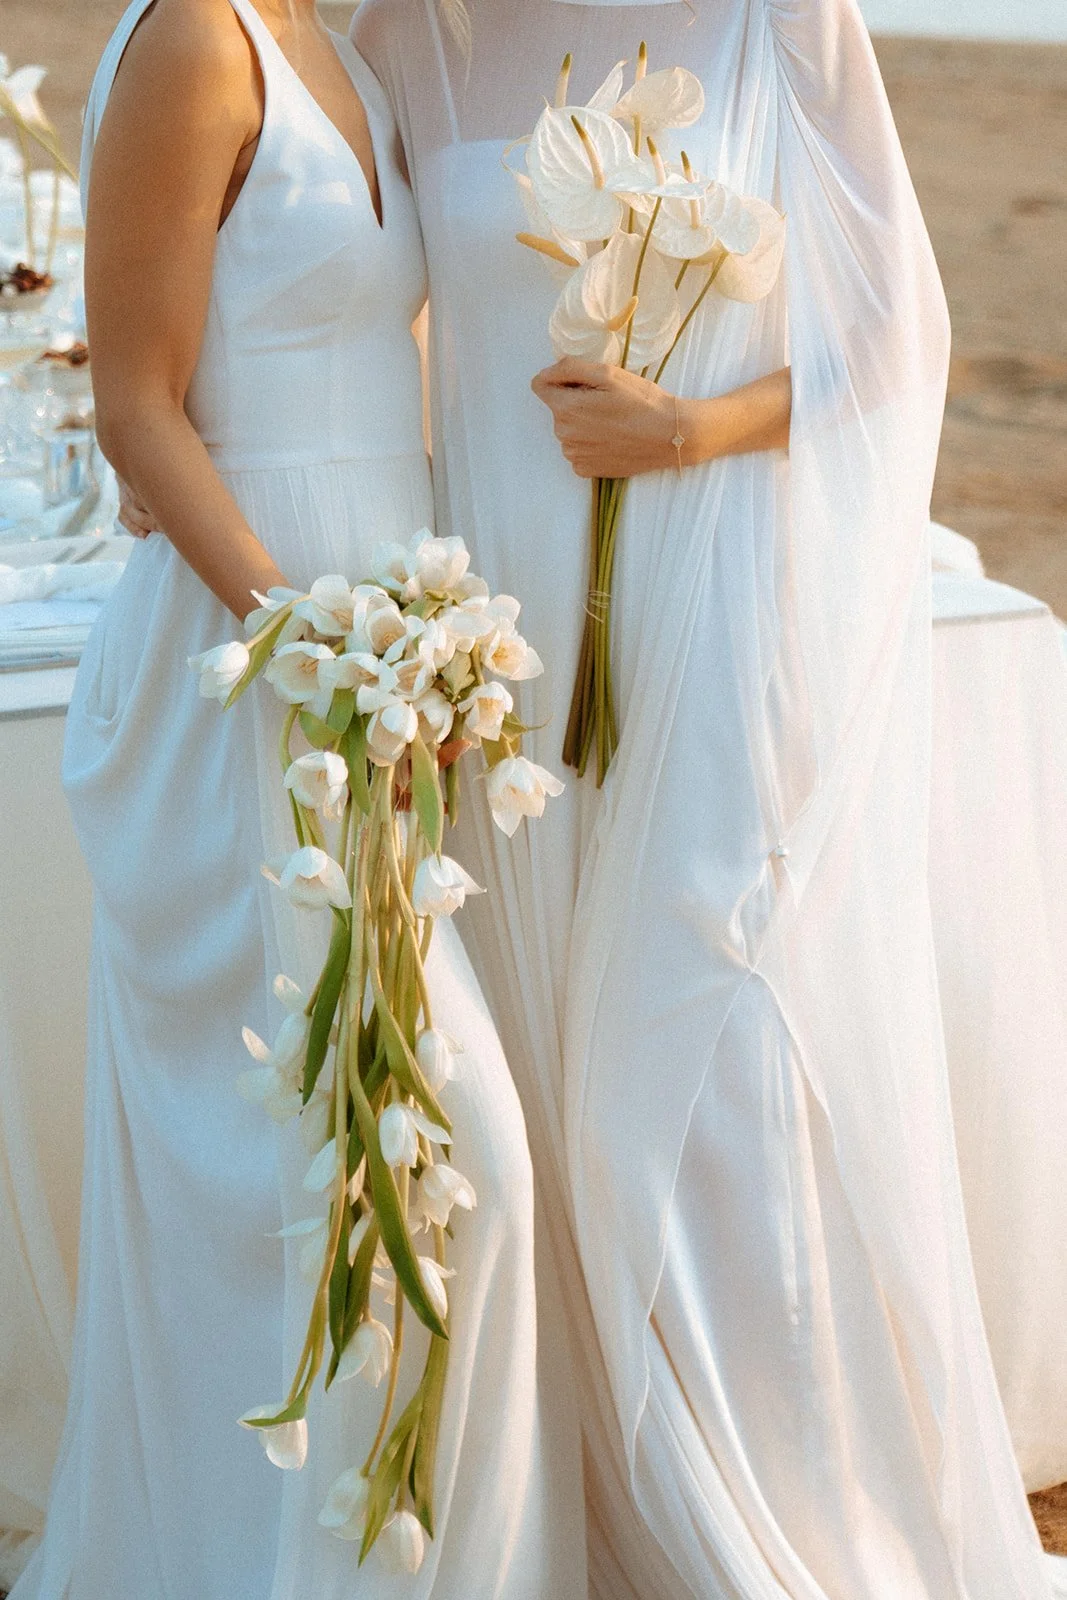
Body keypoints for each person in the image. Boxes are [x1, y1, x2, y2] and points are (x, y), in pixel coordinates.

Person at [344, 0, 1067, 1594]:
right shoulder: (409, 35)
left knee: (706, 1042)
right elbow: (359, 324)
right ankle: (581, 1497)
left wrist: (687, 430)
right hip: (506, 627)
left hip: (720, 587)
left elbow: (895, 334)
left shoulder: (774, 14)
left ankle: (790, 1504)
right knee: (538, 1054)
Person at [11, 0, 584, 1595]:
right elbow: (135, 402)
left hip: (380, 664)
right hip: (257, 671)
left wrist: (426, 636)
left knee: (392, 1152)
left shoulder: (338, 39)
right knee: (343, 1149)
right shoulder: (200, 36)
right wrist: (309, 637)